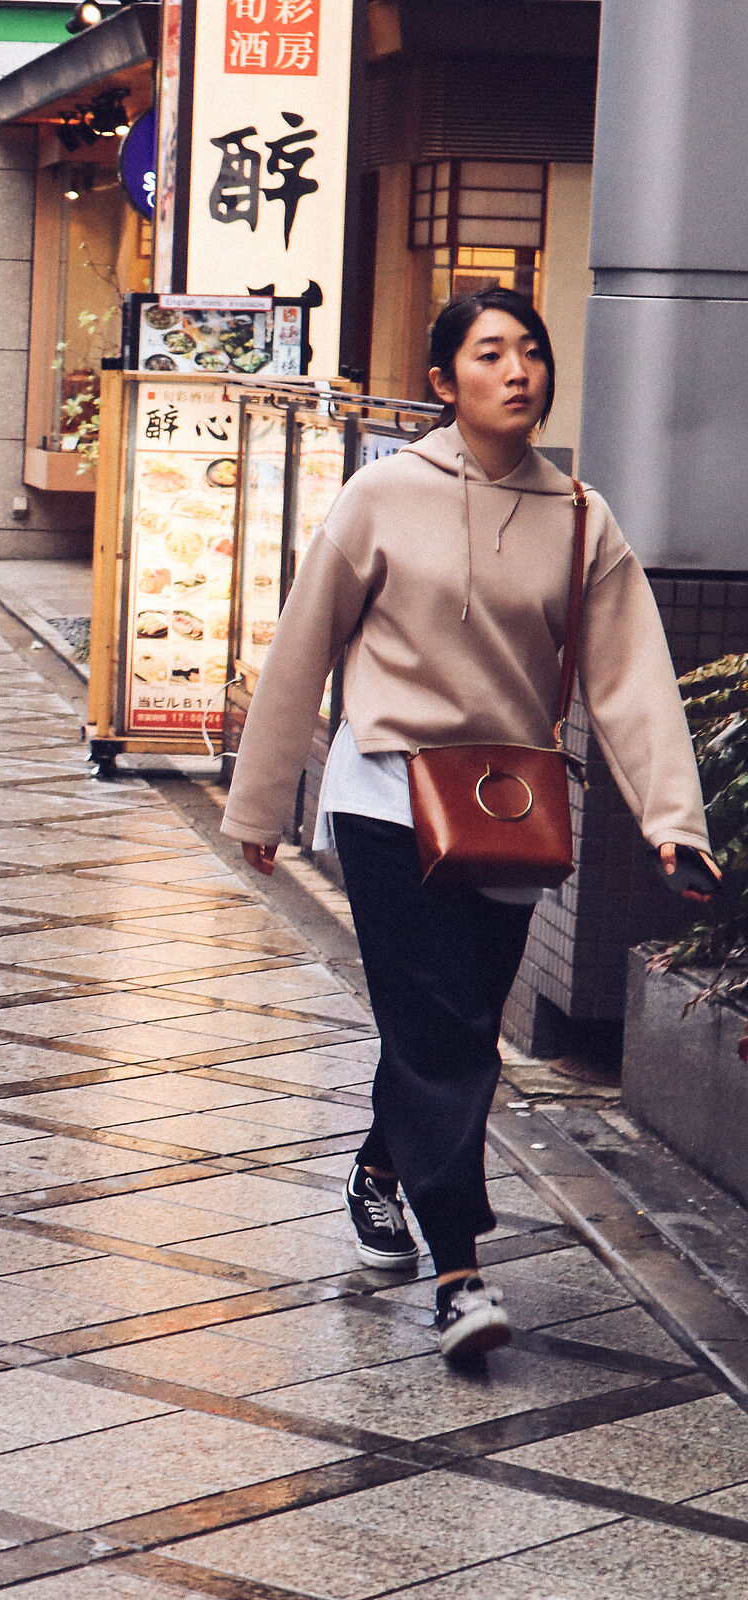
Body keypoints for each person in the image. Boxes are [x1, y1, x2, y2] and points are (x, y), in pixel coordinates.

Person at [225, 287, 718, 1359]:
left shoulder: (582, 517)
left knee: (448, 1027)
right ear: (444, 381)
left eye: (531, 352)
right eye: (490, 353)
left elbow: (631, 682)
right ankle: (459, 1273)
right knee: (440, 1025)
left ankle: (377, 1164)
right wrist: (264, 799)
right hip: (385, 792)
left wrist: (675, 822)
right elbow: (306, 644)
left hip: (508, 805)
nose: (519, 370)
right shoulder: (379, 495)